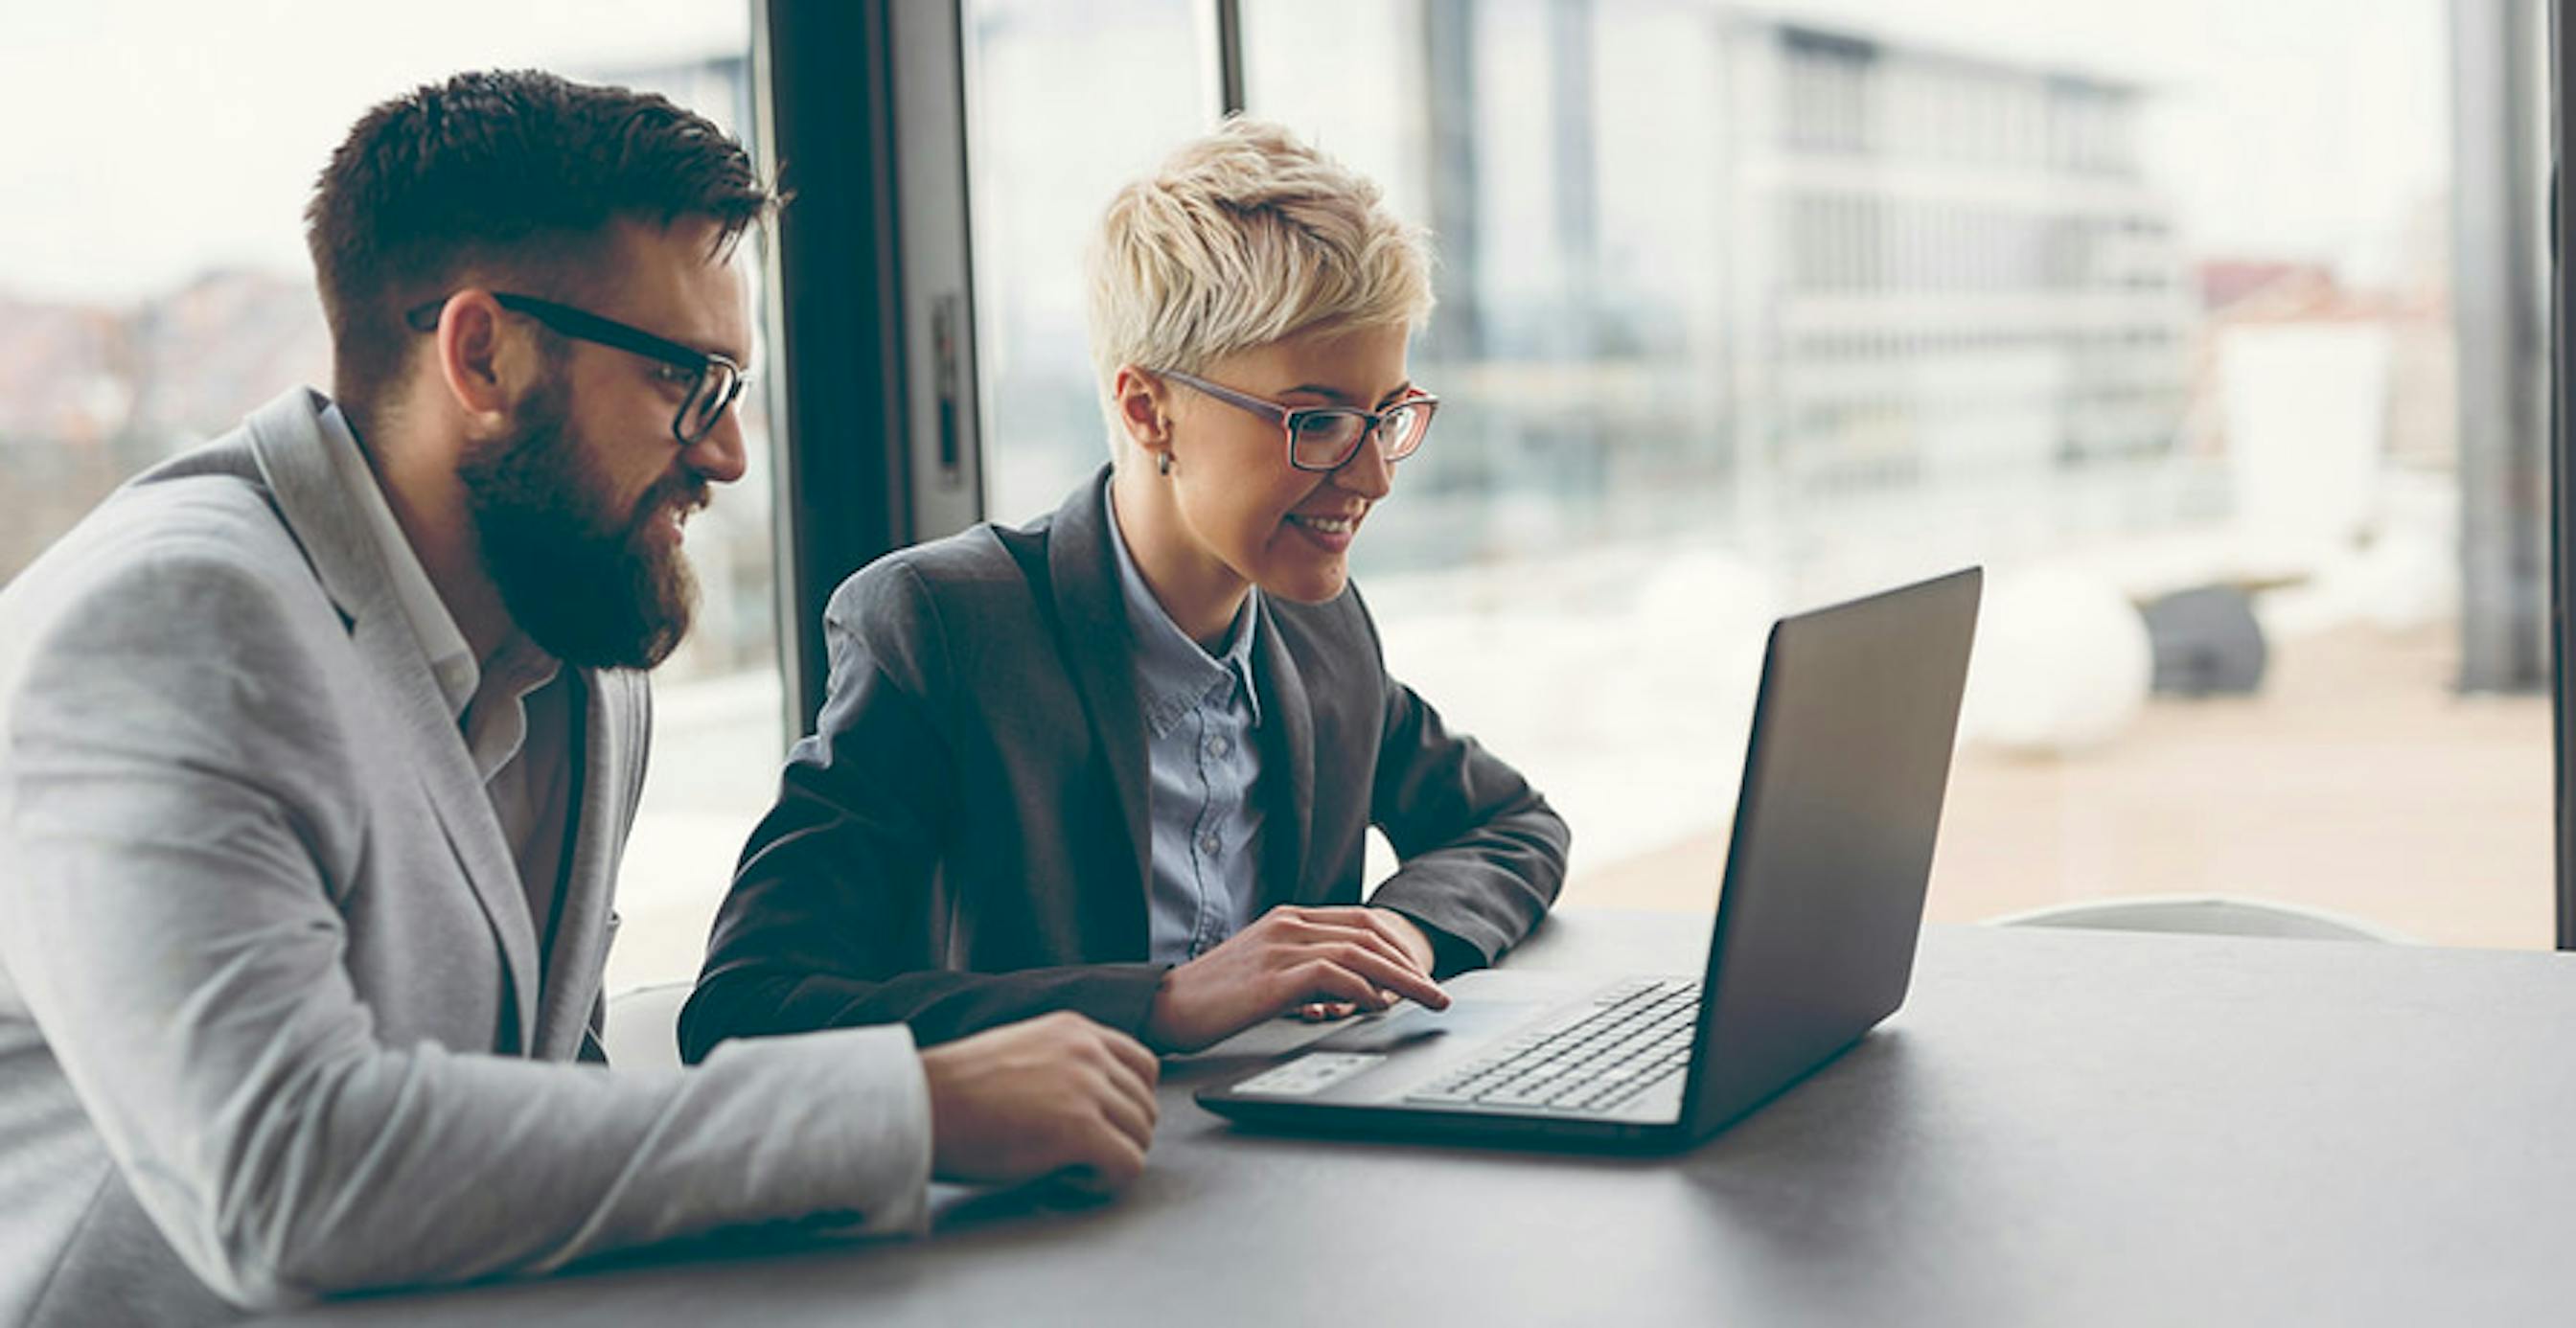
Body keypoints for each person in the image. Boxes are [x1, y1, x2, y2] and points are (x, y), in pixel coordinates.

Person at [0, 70, 1155, 1325]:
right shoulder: (164, 625)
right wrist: (911, 1107)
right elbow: (286, 1171)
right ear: (483, 353)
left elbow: (551, 1118)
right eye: (687, 382)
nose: (727, 454)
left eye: (735, 392)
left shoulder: (579, 651)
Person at [679, 119, 1569, 1065]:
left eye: (1386, 418)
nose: (1373, 477)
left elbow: (1511, 823)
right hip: (1046, 1193)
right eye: (1318, 420)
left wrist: (1404, 933)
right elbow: (749, 1006)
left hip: (1289, 1175)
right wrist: (1165, 1003)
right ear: (1149, 410)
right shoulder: (943, 630)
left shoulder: (1321, 631)